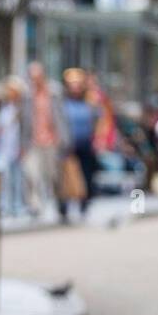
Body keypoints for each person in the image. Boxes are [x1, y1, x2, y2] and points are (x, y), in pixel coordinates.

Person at [23, 62, 68, 218]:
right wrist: (21, 144)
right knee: (31, 174)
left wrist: (63, 140)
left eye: (36, 77)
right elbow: (23, 121)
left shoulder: (54, 93)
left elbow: (62, 118)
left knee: (53, 176)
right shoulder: (27, 96)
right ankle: (35, 206)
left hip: (51, 142)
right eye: (31, 77)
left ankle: (61, 203)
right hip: (33, 142)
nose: (34, 80)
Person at [59, 68, 98, 219]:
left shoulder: (89, 102)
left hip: (85, 143)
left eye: (77, 84)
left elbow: (97, 120)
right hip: (67, 144)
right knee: (66, 176)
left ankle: (84, 203)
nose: (75, 87)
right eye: (71, 84)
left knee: (86, 175)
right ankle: (64, 205)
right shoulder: (63, 103)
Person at [0, 76, 27, 217]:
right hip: (2, 147)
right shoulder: (1, 106)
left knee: (16, 179)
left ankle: (17, 205)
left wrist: (23, 146)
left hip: (16, 146)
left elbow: (26, 128)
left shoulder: (22, 108)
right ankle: (0, 204)